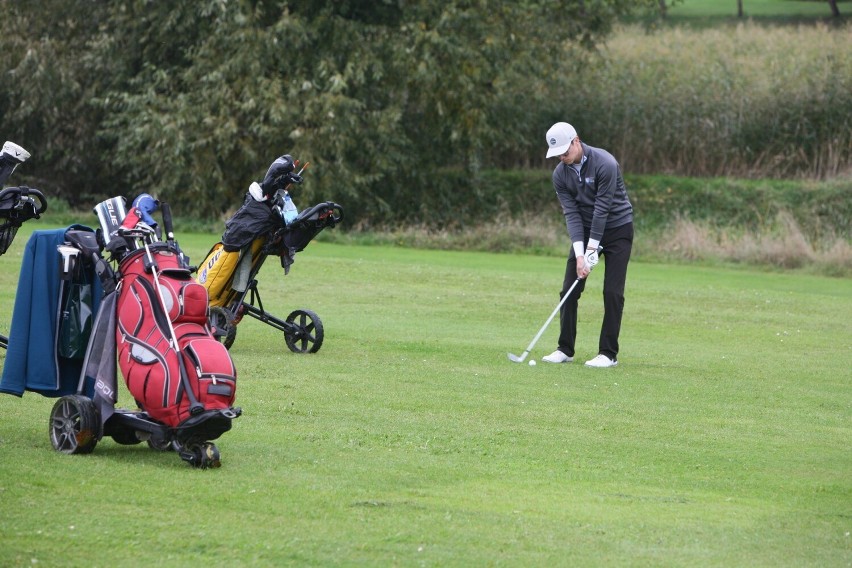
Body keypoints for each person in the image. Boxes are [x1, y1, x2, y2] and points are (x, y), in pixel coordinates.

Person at [541, 122, 634, 368]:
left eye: (566, 151)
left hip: (617, 229)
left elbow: (602, 210)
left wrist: (591, 252)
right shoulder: (560, 174)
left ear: (576, 141)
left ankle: (608, 354)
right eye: (558, 154)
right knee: (569, 291)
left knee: (612, 292)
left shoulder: (606, 163)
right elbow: (571, 215)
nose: (562, 157)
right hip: (584, 230)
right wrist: (581, 255)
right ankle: (565, 348)